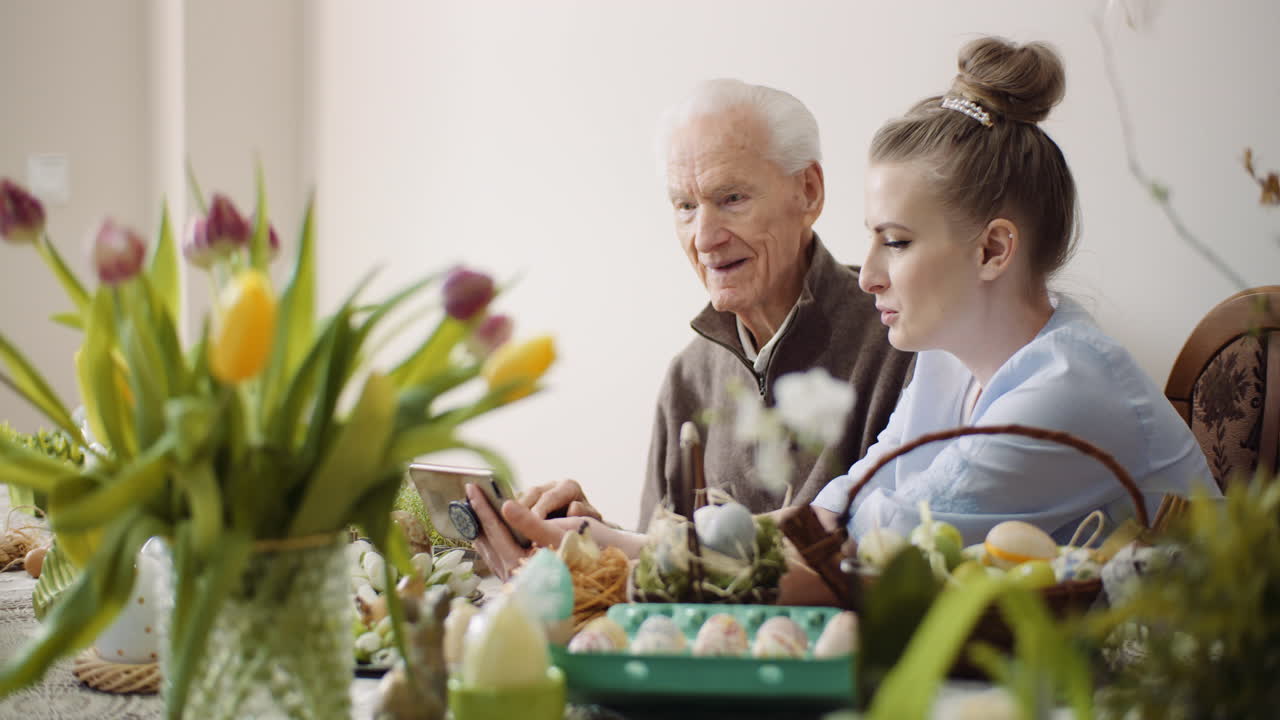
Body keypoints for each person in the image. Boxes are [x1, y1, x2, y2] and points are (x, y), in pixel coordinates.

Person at [469, 79, 915, 578]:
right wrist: (589, 547)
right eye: (685, 206)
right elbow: (660, 582)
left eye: (731, 198)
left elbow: (886, 560)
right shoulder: (688, 376)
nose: (704, 237)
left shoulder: (900, 335)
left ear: (807, 192)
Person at [808, 36, 1219, 545]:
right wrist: (828, 511)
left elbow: (899, 535)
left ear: (993, 249)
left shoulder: (1069, 392)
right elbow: (867, 482)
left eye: (896, 241)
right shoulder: (947, 362)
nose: (867, 275)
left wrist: (827, 518)